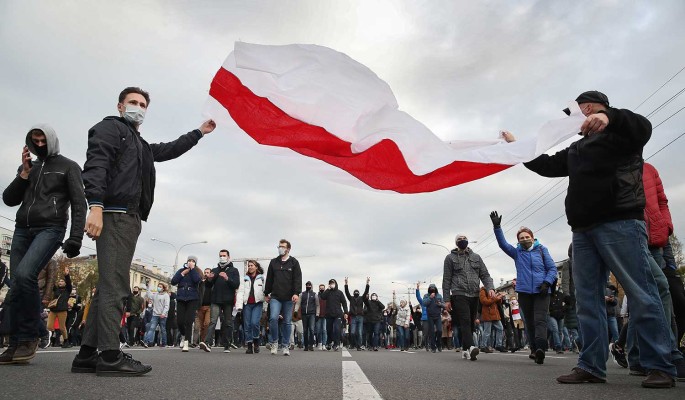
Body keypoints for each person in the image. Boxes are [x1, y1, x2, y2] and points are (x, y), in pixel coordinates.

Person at [510, 90, 676, 387]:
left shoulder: (623, 134)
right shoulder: (577, 149)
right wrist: (518, 150)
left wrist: (607, 117)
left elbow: (642, 125)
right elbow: (547, 166)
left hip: (621, 223)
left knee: (642, 293)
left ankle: (659, 364)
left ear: (588, 108)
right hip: (583, 232)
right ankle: (591, 365)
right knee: (587, 301)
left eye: (576, 112)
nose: (571, 119)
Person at [73, 87, 215, 376]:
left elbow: (169, 149)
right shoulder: (111, 129)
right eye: (133, 103)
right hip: (115, 214)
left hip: (129, 216)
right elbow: (96, 164)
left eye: (142, 104)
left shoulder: (139, 144)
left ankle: (87, 354)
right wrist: (96, 205)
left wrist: (199, 132)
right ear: (120, 105)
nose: (138, 107)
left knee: (108, 286)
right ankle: (110, 356)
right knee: (116, 286)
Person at [1, 125, 86, 365]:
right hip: (22, 229)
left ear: (51, 140)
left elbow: (80, 204)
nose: (39, 144)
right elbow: (9, 199)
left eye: (42, 140)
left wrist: (75, 237)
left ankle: (30, 336)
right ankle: (17, 342)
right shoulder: (29, 168)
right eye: (34, 141)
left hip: (51, 228)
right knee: (17, 283)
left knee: (26, 274)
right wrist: (24, 174)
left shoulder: (69, 166)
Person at [490, 213, 558, 363]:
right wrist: (497, 227)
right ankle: (534, 349)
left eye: (527, 237)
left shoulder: (542, 250)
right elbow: (503, 245)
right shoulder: (517, 253)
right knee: (529, 321)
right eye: (521, 238)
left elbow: (552, 269)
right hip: (525, 291)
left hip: (542, 291)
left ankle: (540, 348)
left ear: (533, 238)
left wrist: (546, 282)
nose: (524, 239)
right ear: (518, 241)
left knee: (540, 320)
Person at [443, 234, 495, 361]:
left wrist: (490, 288)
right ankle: (472, 347)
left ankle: (465, 350)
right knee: (465, 320)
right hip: (458, 293)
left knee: (471, 323)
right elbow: (447, 279)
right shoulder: (450, 258)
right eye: (459, 239)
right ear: (456, 243)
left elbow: (485, 274)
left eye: (464, 239)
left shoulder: (476, 257)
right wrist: (446, 299)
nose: (462, 241)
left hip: (474, 293)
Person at [264, 239, 302, 356]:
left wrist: (296, 293)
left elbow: (297, 279)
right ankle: (274, 342)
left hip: (289, 297)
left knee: (287, 322)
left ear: (288, 249)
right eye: (279, 246)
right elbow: (269, 278)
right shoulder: (273, 262)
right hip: (276, 296)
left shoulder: (294, 262)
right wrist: (266, 293)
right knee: (273, 318)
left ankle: (285, 345)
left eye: (283, 246)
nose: (280, 248)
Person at [201, 250, 240, 353]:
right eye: (220, 256)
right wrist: (209, 279)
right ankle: (208, 343)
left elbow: (236, 284)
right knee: (212, 321)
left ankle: (227, 345)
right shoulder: (215, 270)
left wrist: (227, 278)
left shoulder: (234, 270)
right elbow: (209, 286)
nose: (222, 257)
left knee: (227, 322)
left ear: (228, 257)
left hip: (228, 300)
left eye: (224, 255)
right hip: (215, 299)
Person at [171, 256, 202, 352]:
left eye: (193, 261)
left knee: (189, 321)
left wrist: (192, 270)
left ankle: (186, 342)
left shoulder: (196, 272)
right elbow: (173, 281)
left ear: (195, 263)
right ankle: (183, 335)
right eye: (189, 260)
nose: (190, 262)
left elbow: (197, 281)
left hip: (192, 299)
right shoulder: (181, 270)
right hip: (181, 298)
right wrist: (182, 273)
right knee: (180, 321)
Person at [242, 260, 265, 354]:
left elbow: (266, 291)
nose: (250, 267)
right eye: (249, 266)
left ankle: (256, 341)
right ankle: (249, 345)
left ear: (256, 267)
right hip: (247, 304)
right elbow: (240, 291)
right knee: (247, 325)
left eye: (252, 265)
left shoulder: (262, 278)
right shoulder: (244, 278)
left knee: (254, 323)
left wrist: (266, 302)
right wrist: (240, 305)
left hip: (257, 303)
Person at [47, 267, 73, 348]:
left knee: (62, 327)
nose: (60, 282)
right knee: (49, 326)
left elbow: (69, 282)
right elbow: (51, 282)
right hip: (53, 310)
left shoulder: (68, 289)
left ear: (65, 283)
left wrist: (67, 275)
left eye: (62, 281)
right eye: (60, 281)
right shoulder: (56, 289)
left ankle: (66, 341)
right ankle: (51, 339)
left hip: (62, 310)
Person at [320, 279, 348, 351]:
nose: (331, 284)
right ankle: (329, 342)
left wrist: (346, 312)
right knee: (328, 330)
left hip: (338, 314)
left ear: (335, 284)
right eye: (330, 283)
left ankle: (336, 344)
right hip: (329, 314)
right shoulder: (328, 292)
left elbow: (344, 303)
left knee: (337, 329)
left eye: (332, 283)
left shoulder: (340, 293)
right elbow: (322, 297)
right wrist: (327, 289)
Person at [344, 276, 369, 351]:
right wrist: (346, 284)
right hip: (353, 317)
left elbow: (366, 291)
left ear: (359, 293)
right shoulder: (351, 298)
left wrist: (367, 283)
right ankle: (352, 344)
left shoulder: (362, 298)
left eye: (357, 292)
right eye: (355, 292)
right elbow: (346, 292)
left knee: (360, 333)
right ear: (353, 293)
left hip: (360, 317)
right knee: (352, 332)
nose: (356, 293)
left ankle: (359, 346)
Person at [143, 282, 170, 347]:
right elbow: (149, 295)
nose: (159, 288)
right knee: (152, 328)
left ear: (163, 288)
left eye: (160, 287)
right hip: (155, 315)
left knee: (163, 330)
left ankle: (164, 343)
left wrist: (163, 313)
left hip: (163, 315)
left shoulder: (166, 295)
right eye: (158, 286)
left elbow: (167, 306)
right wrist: (148, 287)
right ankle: (146, 342)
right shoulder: (156, 295)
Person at [479, 287, 503, 354]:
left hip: (495, 314)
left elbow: (497, 302)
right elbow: (484, 301)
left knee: (500, 328)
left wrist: (499, 297)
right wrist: (496, 298)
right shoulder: (483, 291)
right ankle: (483, 346)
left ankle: (498, 345)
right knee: (487, 331)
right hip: (488, 314)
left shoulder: (492, 291)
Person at [194, 268, 213, 347]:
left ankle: (205, 341)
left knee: (207, 323)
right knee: (200, 326)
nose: (206, 274)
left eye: (208, 272)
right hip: (200, 306)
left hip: (209, 306)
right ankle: (201, 342)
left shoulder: (212, 283)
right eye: (205, 272)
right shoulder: (200, 283)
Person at [422, 284, 443, 354]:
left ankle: (439, 344)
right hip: (430, 316)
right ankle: (433, 347)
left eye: (433, 288)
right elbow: (424, 303)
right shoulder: (426, 296)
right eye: (431, 288)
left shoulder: (439, 296)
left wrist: (440, 304)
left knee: (439, 331)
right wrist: (430, 298)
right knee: (432, 333)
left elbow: (443, 304)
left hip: (438, 316)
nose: (432, 289)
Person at [298, 281, 319, 352]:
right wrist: (295, 311)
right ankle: (306, 346)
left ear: (311, 286)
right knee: (305, 330)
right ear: (305, 286)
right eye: (307, 285)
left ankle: (311, 345)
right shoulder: (302, 294)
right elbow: (298, 303)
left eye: (309, 285)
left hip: (312, 314)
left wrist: (317, 314)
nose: (308, 286)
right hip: (304, 314)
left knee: (312, 329)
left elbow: (317, 305)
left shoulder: (314, 294)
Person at [315, 283, 327, 350]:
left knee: (324, 330)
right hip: (318, 316)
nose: (321, 289)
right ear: (319, 289)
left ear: (324, 289)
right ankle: (319, 343)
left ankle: (324, 344)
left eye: (323, 288)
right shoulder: (316, 296)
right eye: (320, 288)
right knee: (318, 330)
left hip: (325, 316)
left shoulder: (327, 296)